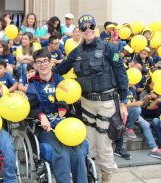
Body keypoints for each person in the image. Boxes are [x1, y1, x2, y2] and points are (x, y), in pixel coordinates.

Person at [54, 14, 129, 183]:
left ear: (95, 28)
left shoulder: (110, 49)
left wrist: (124, 103)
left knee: (104, 143)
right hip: (86, 103)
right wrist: (37, 71)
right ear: (79, 31)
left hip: (106, 103)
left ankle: (106, 176)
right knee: (89, 143)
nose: (87, 30)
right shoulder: (75, 53)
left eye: (90, 27)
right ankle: (91, 174)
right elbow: (60, 69)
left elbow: (122, 75)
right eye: (83, 28)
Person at [26, 49, 87, 183]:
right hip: (46, 127)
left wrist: (63, 106)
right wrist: (41, 116)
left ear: (51, 62)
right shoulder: (33, 84)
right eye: (39, 62)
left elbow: (69, 99)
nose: (42, 64)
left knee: (78, 152)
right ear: (35, 65)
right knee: (62, 153)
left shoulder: (60, 80)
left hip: (65, 122)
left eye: (45, 61)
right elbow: (30, 107)